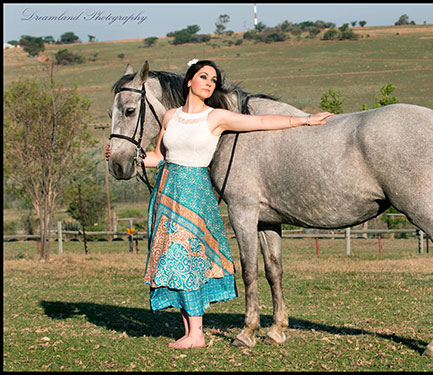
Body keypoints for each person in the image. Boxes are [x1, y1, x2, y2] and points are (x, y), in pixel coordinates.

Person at [106, 59, 333, 349]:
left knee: (189, 258)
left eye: (213, 79)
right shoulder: (170, 117)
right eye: (203, 77)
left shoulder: (217, 117)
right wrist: (133, 158)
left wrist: (304, 119)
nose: (209, 83)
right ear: (188, 80)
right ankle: (190, 331)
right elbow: (159, 156)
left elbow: (261, 121)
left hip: (196, 194)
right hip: (167, 195)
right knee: (172, 260)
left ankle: (197, 335)